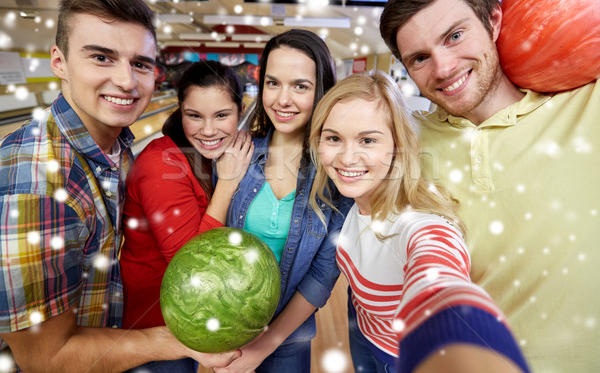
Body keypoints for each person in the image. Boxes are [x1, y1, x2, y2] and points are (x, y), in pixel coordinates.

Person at [0, 0, 239, 372]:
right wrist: (175, 341)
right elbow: (47, 359)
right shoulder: (35, 183)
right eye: (101, 57)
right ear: (58, 61)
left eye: (140, 63)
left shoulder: (116, 145)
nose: (127, 81)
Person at [379, 0, 600, 372]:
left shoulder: (588, 106)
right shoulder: (405, 140)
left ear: (494, 21)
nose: (443, 68)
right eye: (419, 58)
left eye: (455, 35)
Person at [309, 70, 529, 373]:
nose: (347, 158)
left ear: (399, 145)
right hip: (363, 331)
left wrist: (461, 344)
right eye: (334, 138)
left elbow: (438, 275)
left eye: (368, 140)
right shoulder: (349, 200)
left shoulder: (417, 222)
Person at [218, 29, 352, 373]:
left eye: (300, 86)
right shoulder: (238, 156)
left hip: (288, 339)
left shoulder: (336, 176)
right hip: (226, 330)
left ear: (320, 91)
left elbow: (323, 275)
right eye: (273, 83)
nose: (282, 99)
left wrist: (265, 346)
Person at [119, 60, 253, 372]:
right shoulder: (160, 165)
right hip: (152, 329)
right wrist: (229, 182)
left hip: (185, 322)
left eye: (222, 115)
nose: (208, 130)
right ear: (180, 111)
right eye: (194, 116)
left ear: (241, 109)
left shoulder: (208, 156)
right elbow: (191, 266)